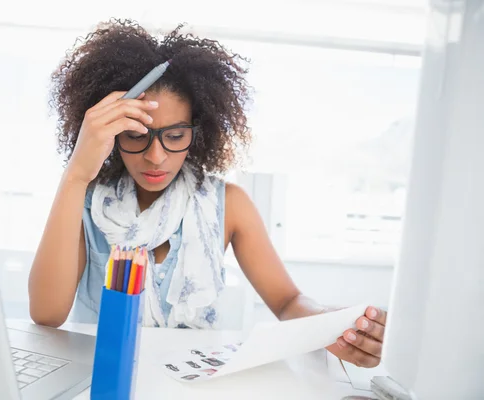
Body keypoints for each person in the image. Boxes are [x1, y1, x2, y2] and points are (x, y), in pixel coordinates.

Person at [28, 19, 388, 368]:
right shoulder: (85, 201)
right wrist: (76, 174)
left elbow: (287, 301)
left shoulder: (228, 204)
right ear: (110, 133)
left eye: (175, 136)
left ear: (198, 132)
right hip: (103, 377)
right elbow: (46, 314)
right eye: (136, 135)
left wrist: (330, 324)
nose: (156, 156)